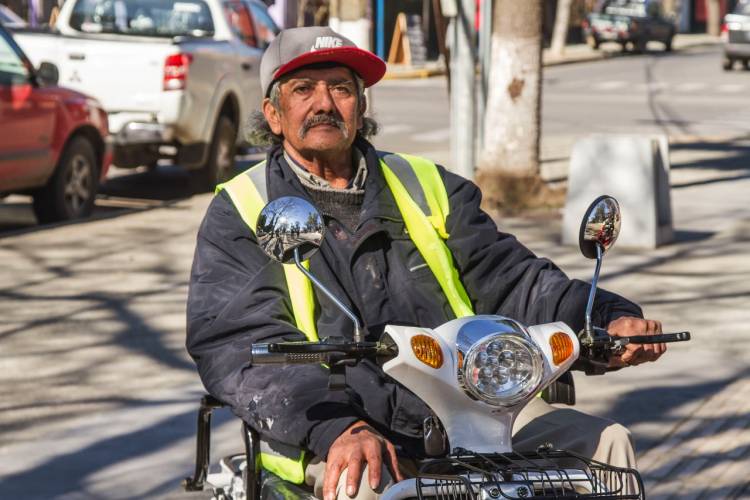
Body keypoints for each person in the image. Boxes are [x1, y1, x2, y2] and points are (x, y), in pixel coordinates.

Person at [186, 26, 666, 500]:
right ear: (273, 113)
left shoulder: (426, 183)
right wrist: (338, 428)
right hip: (332, 422)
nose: (325, 103)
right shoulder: (244, 208)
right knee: (363, 488)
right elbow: (237, 342)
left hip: (475, 410)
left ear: (362, 106)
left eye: (341, 88)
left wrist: (603, 318)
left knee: (605, 448)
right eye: (303, 90)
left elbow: (512, 276)